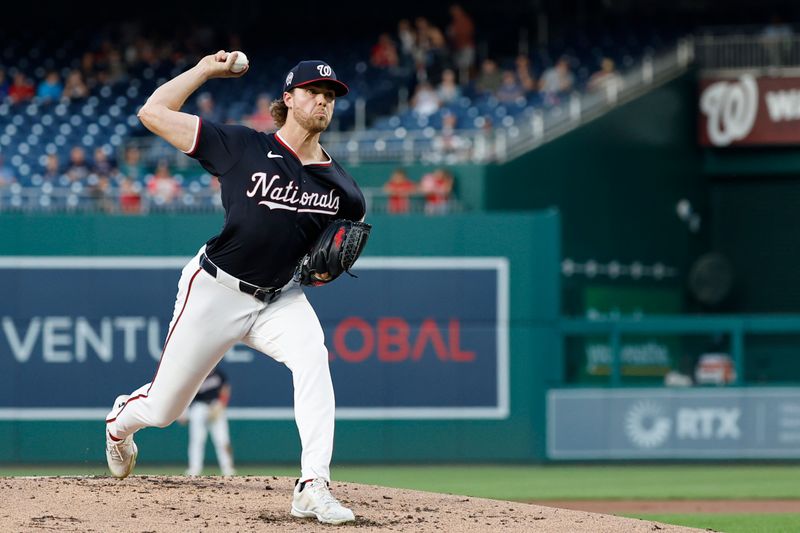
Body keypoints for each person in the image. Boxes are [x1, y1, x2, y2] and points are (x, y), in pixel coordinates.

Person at [104, 51, 365, 526]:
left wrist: (323, 269)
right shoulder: (241, 146)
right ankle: (121, 420)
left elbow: (341, 244)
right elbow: (152, 114)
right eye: (314, 92)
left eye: (330, 95)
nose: (323, 101)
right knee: (164, 409)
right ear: (288, 98)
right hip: (215, 290)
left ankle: (313, 485)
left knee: (313, 359)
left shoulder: (343, 189)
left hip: (279, 298)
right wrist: (205, 70)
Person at [180, 366, 235, 477]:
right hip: (199, 407)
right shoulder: (195, 376)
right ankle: (194, 469)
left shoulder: (218, 374)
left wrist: (221, 405)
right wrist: (183, 412)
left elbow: (225, 389)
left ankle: (228, 468)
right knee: (197, 439)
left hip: (215, 405)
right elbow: (186, 394)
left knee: (222, 439)